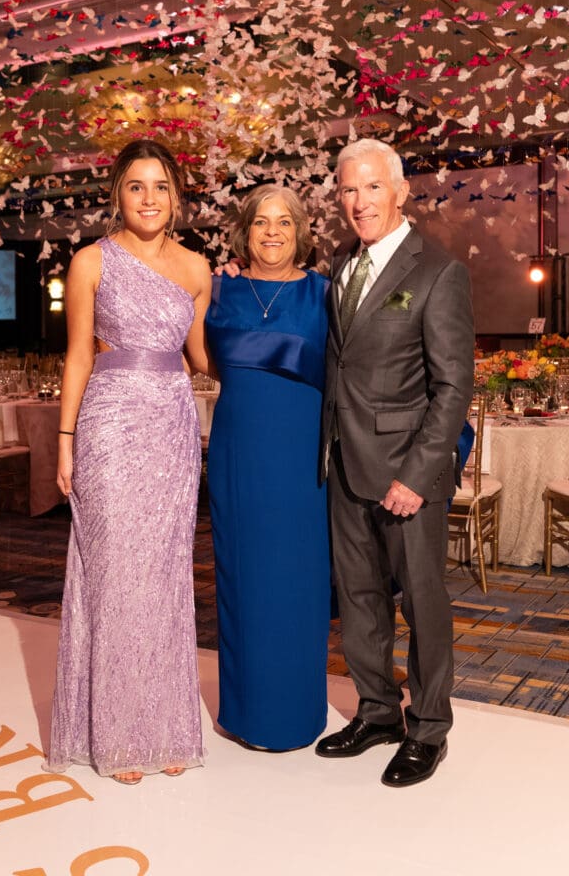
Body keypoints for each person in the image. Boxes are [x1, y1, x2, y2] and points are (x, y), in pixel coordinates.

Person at [45, 138, 212, 785]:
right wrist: (64, 440)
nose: (148, 197)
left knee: (166, 576)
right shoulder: (90, 261)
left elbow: (200, 358)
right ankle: (116, 735)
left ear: (175, 198)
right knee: (115, 576)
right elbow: (78, 356)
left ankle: (166, 727)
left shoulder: (197, 270)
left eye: (160, 186)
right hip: (109, 425)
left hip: (171, 426)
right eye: (136, 185)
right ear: (118, 193)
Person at [315, 138, 474, 787]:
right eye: (348, 189)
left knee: (422, 601)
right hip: (345, 463)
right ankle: (377, 711)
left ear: (399, 191)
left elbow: (452, 386)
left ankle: (428, 724)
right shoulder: (338, 267)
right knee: (357, 601)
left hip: (406, 472)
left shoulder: (437, 269)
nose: (359, 201)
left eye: (371, 187)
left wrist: (417, 472)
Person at [206, 184, 330, 751]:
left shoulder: (323, 294)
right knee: (243, 577)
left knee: (297, 580)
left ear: (301, 231)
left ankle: (297, 711)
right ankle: (248, 712)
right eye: (261, 222)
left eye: (284, 222)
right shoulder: (217, 290)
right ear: (245, 231)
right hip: (238, 456)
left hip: (301, 459)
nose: (272, 232)